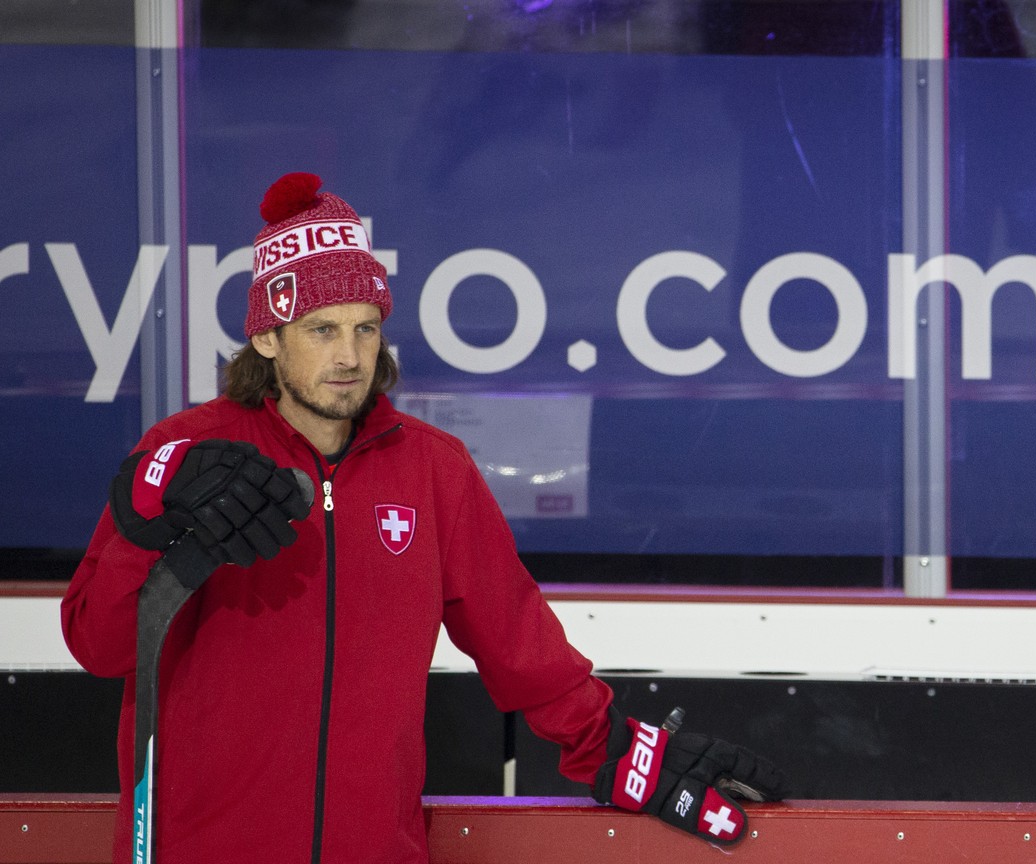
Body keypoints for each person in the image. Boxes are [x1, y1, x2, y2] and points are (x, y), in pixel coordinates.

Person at [61, 172, 785, 864]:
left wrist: (613, 748)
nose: (350, 356)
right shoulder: (186, 455)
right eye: (320, 329)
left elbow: (517, 637)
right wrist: (145, 520)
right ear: (267, 337)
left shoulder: (432, 471)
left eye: (366, 328)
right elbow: (98, 643)